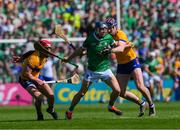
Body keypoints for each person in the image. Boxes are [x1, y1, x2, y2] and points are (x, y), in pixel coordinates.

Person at [63, 21, 130, 120]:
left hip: (105, 69)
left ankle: (110, 106)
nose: (103, 31)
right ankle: (70, 111)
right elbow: (80, 51)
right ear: (97, 30)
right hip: (92, 71)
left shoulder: (108, 37)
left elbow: (115, 45)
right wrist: (69, 58)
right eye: (101, 29)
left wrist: (127, 45)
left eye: (105, 29)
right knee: (81, 93)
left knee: (117, 90)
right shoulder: (90, 39)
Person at [104, 18, 155, 116]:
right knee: (121, 92)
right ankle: (141, 103)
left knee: (140, 86)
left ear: (115, 27)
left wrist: (110, 50)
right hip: (121, 64)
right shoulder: (108, 36)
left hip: (132, 61)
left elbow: (121, 48)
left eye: (110, 28)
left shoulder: (120, 34)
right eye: (107, 28)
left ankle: (151, 105)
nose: (109, 30)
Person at [13, 40, 58, 120]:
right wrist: (37, 81)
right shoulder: (34, 58)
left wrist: (21, 59)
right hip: (25, 79)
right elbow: (27, 74)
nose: (49, 51)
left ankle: (50, 109)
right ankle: (39, 114)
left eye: (50, 48)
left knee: (51, 96)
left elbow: (30, 52)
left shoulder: (44, 56)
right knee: (39, 97)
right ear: (41, 49)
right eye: (47, 48)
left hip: (37, 77)